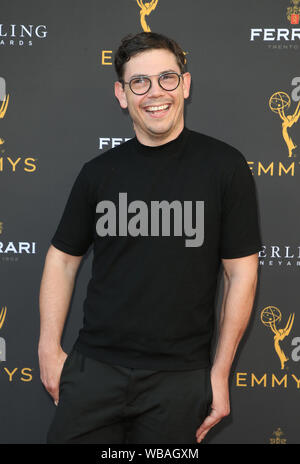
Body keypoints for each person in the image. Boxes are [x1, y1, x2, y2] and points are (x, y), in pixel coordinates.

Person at [38, 31, 262, 444]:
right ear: (122, 94)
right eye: (139, 82)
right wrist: (48, 349)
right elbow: (62, 259)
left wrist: (220, 371)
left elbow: (242, 274)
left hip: (179, 378)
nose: (154, 92)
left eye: (167, 78)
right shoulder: (98, 173)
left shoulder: (225, 168)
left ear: (186, 84)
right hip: (94, 371)